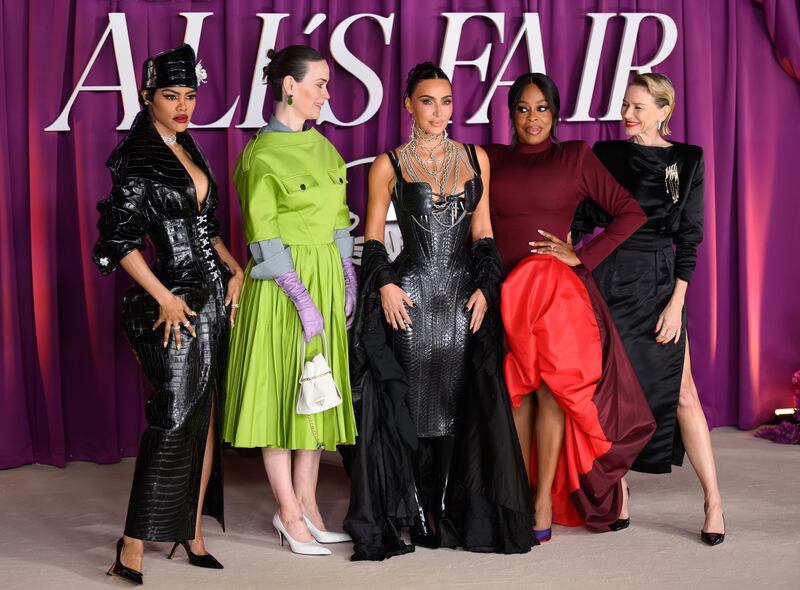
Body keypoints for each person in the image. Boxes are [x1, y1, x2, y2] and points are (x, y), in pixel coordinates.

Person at [343, 62, 534, 560]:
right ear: (408, 104)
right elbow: (371, 240)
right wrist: (383, 287)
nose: (438, 111)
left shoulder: (476, 157)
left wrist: (488, 289)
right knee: (411, 406)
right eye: (428, 101)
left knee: (456, 407)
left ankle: (444, 507)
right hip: (408, 297)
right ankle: (409, 509)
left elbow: (484, 232)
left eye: (446, 101)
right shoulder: (387, 164)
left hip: (462, 300)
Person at [93, 44, 243, 585]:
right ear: (147, 97)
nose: (183, 105)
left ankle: (190, 529)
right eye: (171, 96)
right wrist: (162, 296)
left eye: (190, 95)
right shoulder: (137, 156)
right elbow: (119, 241)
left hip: (211, 299)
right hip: (173, 304)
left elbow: (203, 226)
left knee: (203, 421)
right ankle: (131, 542)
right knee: (174, 417)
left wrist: (234, 266)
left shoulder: (186, 145)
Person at [484, 73, 656, 541]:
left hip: (555, 293)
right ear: (510, 113)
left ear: (555, 114)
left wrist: (584, 256)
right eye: (522, 108)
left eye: (541, 109)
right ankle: (518, 497)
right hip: (506, 292)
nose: (532, 118)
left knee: (550, 393)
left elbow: (630, 212)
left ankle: (541, 505)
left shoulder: (574, 156)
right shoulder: (491, 159)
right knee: (514, 393)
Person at [572, 73, 725, 545]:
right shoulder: (607, 155)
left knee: (683, 394)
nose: (628, 115)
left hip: (660, 284)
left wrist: (676, 302)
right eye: (625, 105)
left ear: (665, 111)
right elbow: (584, 218)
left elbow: (690, 238)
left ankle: (714, 500)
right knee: (611, 393)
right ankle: (620, 490)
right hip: (611, 279)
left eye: (638, 107)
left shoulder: (689, 158)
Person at [222, 45, 357, 556]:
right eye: (319, 84)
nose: (326, 93)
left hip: (323, 278)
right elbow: (263, 236)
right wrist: (301, 298)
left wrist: (346, 276)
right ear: (289, 88)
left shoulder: (324, 147)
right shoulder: (260, 154)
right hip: (284, 290)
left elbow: (340, 217)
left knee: (314, 393)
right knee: (284, 392)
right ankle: (287, 510)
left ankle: (309, 503)